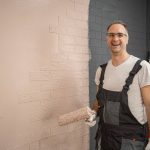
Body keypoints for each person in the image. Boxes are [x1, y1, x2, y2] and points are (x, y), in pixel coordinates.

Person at [86, 20, 150, 150]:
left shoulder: (142, 67)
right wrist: (92, 114)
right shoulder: (101, 70)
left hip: (132, 141)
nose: (115, 39)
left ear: (127, 39)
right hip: (105, 138)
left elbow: (149, 105)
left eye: (120, 35)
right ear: (106, 39)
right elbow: (98, 102)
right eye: (111, 35)